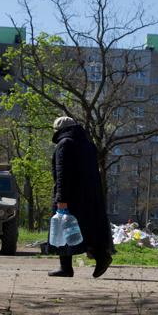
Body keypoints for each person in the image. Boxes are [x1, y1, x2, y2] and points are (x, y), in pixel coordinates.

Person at [48, 116, 113, 278]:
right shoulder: (88, 145)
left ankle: (66, 267)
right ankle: (101, 256)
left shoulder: (65, 144)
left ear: (58, 130)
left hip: (70, 196)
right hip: (90, 196)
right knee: (87, 230)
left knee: (63, 230)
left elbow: (62, 174)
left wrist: (61, 199)